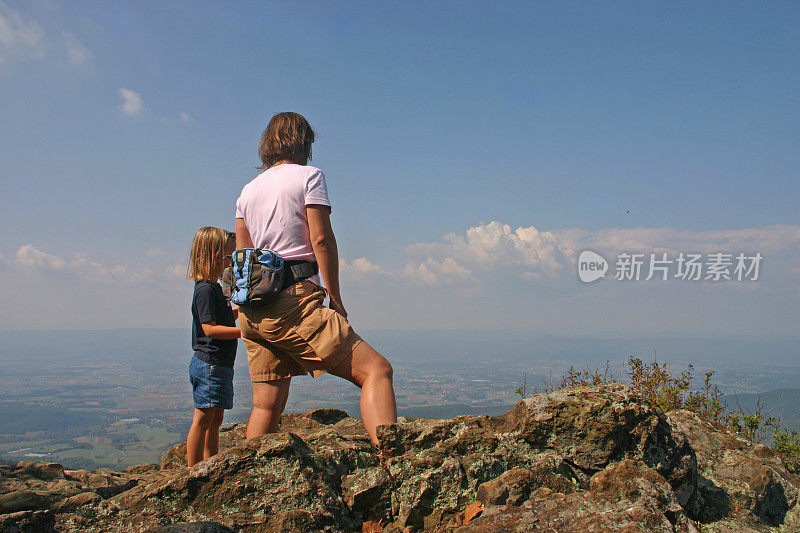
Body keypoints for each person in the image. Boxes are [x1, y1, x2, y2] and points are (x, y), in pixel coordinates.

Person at [235, 112, 397, 444]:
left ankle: (249, 483)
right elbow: (320, 239)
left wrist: (240, 310)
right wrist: (335, 298)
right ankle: (393, 461)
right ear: (305, 142)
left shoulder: (247, 192)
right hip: (292, 301)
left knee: (266, 405)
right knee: (376, 371)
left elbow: (243, 255)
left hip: (252, 309)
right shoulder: (309, 176)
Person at [185, 227, 240, 467]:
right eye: (227, 257)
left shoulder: (213, 288)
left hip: (219, 363)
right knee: (203, 419)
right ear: (213, 256)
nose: (229, 262)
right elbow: (210, 329)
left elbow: (225, 317)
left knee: (215, 419)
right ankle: (193, 469)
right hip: (210, 363)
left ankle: (210, 463)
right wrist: (245, 332)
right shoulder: (206, 289)